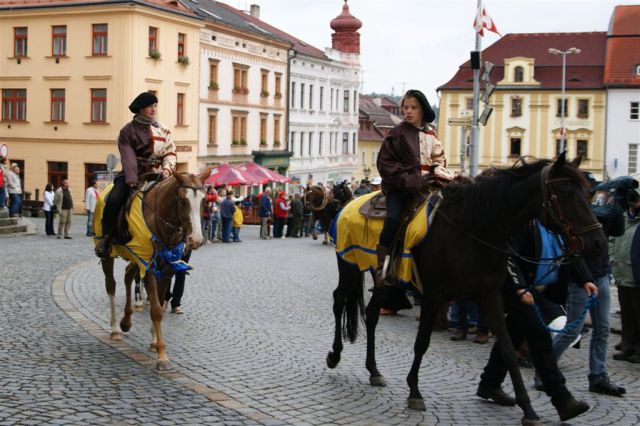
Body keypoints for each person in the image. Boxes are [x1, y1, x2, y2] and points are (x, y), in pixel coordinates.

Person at [476, 219, 593, 422]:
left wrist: (585, 279)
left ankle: (489, 383)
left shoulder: (559, 223)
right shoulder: (524, 222)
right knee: (540, 337)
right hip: (520, 291)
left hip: (540, 292)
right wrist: (519, 287)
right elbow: (508, 256)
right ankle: (562, 400)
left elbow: (569, 252)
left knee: (512, 335)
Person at [375, 89, 452, 286]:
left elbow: (439, 158)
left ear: (422, 110)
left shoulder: (431, 133)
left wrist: (438, 174)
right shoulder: (397, 134)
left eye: (413, 108)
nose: (408, 111)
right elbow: (387, 164)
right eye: (405, 107)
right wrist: (412, 181)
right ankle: (383, 264)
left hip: (428, 186)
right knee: (393, 218)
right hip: (399, 188)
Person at [551, 204, 626, 396]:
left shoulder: (605, 214)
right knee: (572, 331)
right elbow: (571, 252)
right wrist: (583, 278)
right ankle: (545, 372)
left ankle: (598, 376)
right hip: (580, 281)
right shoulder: (572, 216)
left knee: (603, 329)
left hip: (601, 276)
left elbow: (618, 230)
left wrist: (619, 207)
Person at [95, 92, 176, 258]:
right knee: (114, 199)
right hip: (133, 174)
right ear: (140, 109)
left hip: (158, 173)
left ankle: (180, 236)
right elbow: (128, 157)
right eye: (150, 106)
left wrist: (167, 168)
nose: (154, 109)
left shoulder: (163, 129)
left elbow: (169, 151)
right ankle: (107, 238)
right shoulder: (127, 131)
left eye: (155, 106)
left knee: (180, 197)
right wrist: (132, 180)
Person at [612, 195, 640, 363]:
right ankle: (627, 346)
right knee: (627, 314)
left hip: (637, 275)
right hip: (623, 274)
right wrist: (611, 258)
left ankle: (638, 350)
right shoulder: (624, 218)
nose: (634, 200)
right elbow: (612, 239)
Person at [164, 248, 191, 314]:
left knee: (181, 272)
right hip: (171, 243)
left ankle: (176, 304)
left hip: (186, 243)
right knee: (167, 270)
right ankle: (165, 298)